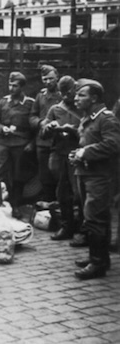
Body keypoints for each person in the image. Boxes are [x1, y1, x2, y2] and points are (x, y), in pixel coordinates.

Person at [68, 79, 120, 280]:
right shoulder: (88, 118)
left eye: (81, 95)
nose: (76, 98)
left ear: (94, 98)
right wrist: (77, 154)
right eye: (76, 94)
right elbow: (87, 143)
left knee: (94, 218)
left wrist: (85, 153)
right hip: (86, 173)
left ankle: (97, 263)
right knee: (94, 217)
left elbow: (113, 145)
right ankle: (99, 258)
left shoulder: (106, 118)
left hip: (100, 177)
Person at [40, 76, 83, 241]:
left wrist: (73, 130)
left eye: (69, 92)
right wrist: (49, 128)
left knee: (79, 194)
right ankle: (66, 227)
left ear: (75, 90)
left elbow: (89, 133)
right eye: (62, 93)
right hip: (59, 155)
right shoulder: (55, 109)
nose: (66, 96)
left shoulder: (82, 108)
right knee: (62, 194)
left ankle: (82, 229)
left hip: (77, 156)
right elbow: (43, 133)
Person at [0, 72, 35, 216]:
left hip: (21, 143)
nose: (11, 88)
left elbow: (35, 127)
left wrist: (32, 143)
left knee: (18, 175)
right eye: (10, 85)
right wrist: (2, 129)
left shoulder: (30, 103)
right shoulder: (3, 102)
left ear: (22, 87)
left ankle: (15, 205)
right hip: (3, 142)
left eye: (15, 86)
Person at [30, 65, 63, 203]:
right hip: (43, 142)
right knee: (45, 175)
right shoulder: (40, 96)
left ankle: (61, 203)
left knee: (60, 174)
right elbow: (32, 116)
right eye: (45, 79)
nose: (48, 82)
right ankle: (49, 203)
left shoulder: (63, 95)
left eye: (51, 78)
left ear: (57, 77)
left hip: (59, 141)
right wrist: (40, 123)